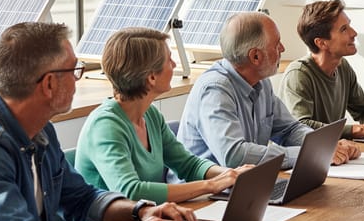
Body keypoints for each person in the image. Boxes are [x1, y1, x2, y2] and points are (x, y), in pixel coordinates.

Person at [0, 22, 196, 221]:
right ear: (49, 84)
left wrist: (141, 211)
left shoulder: (41, 130)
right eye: (75, 70)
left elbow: (82, 199)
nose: (78, 80)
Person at [75, 28, 249, 204]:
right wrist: (210, 185)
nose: (174, 65)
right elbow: (131, 191)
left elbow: (188, 165)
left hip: (148, 217)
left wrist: (232, 175)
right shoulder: (105, 126)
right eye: (169, 60)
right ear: (151, 77)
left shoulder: (150, 114)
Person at [178, 12, 360, 169]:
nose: (282, 48)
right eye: (276, 44)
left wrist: (323, 145)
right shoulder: (215, 90)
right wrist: (310, 154)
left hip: (244, 184)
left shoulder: (261, 82)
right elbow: (235, 155)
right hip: (203, 193)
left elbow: (289, 129)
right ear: (255, 56)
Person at [277, 0, 364, 140]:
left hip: (333, 149)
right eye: (344, 29)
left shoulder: (342, 66)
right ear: (321, 43)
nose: (354, 33)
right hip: (300, 153)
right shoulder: (298, 74)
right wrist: (361, 130)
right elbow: (302, 127)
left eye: (349, 25)